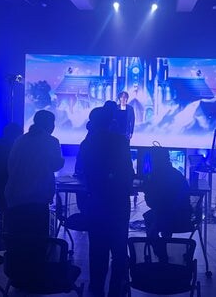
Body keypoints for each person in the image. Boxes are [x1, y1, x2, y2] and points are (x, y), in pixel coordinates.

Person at [79, 107, 134, 297]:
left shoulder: (87, 143)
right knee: (119, 249)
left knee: (97, 248)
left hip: (96, 201)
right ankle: (116, 290)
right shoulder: (120, 141)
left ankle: (96, 288)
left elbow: (83, 172)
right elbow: (128, 172)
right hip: (118, 202)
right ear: (111, 121)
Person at [4, 110, 65, 235]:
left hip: (15, 196)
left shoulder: (20, 140)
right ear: (49, 124)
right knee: (37, 238)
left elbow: (11, 165)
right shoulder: (51, 141)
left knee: (18, 237)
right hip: (38, 196)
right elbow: (55, 165)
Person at [143, 147, 192, 239]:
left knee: (150, 217)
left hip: (166, 218)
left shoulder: (154, 178)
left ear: (155, 161)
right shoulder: (177, 174)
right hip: (184, 217)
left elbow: (151, 203)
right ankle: (165, 242)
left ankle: (158, 247)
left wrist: (146, 188)